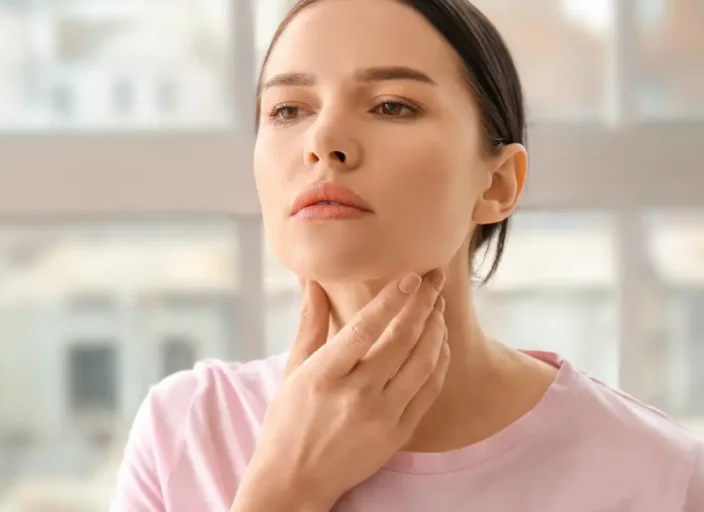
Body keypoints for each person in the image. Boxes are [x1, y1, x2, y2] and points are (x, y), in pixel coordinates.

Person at [111, 0, 704, 510]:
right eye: (288, 109)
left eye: (392, 105)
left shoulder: (659, 475)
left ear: (498, 184)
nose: (323, 142)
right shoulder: (185, 431)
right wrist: (286, 487)